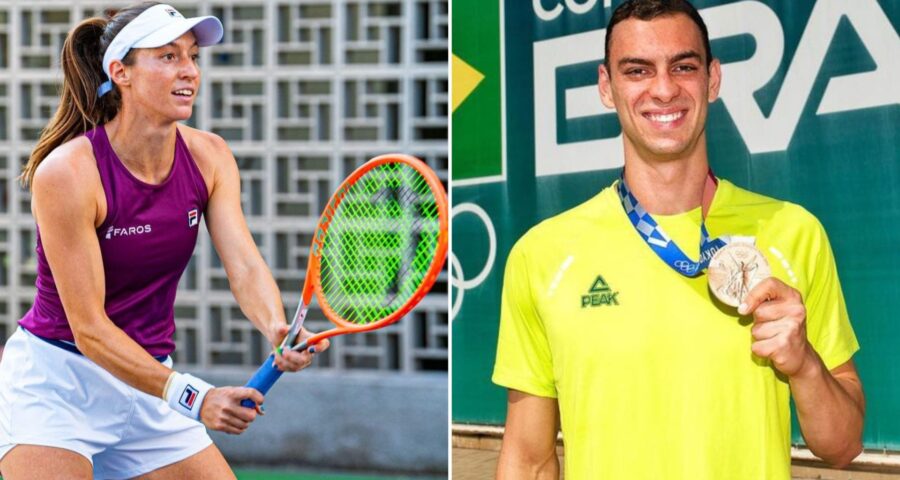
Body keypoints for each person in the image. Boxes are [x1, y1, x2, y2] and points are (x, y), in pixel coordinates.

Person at [492, 1, 865, 478]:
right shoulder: (541, 255)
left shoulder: (795, 232)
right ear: (607, 87)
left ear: (712, 79)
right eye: (638, 70)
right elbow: (529, 459)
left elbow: (844, 446)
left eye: (683, 67)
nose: (664, 89)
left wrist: (806, 366)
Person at [0, 3, 328, 479]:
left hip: (150, 383)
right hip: (58, 386)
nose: (190, 71)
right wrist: (195, 396)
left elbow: (244, 265)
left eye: (193, 56)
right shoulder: (68, 173)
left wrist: (277, 327)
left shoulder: (210, 155)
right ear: (121, 72)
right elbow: (89, 329)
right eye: (169, 57)